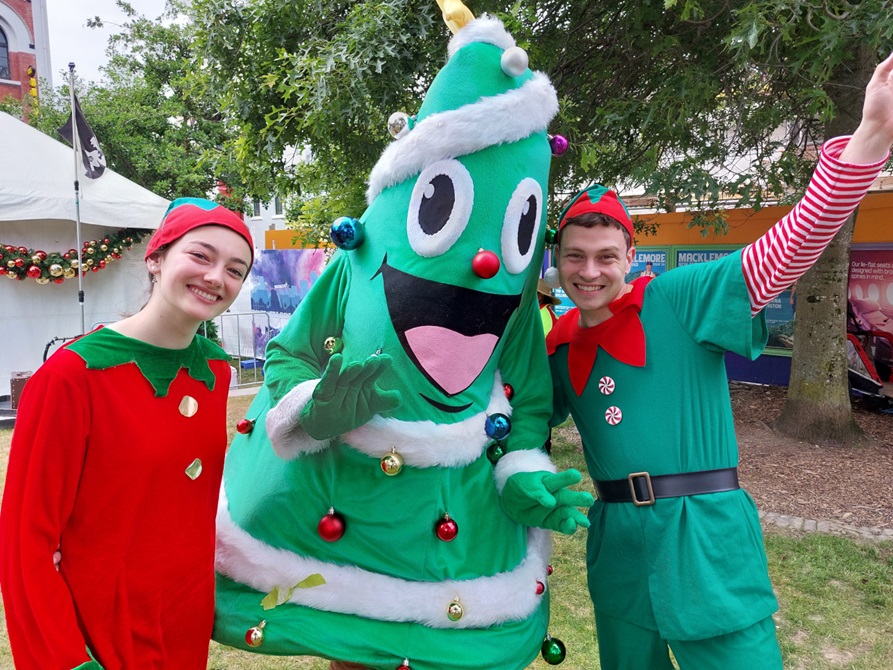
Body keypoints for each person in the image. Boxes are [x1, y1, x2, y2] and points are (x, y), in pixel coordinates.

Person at [546, 52, 893, 670]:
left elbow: (785, 251)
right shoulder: (555, 342)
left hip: (706, 540)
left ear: (630, 251)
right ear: (558, 259)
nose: (590, 271)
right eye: (575, 257)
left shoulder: (679, 298)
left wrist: (868, 141)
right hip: (619, 547)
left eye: (605, 254)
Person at [0, 198, 254, 670]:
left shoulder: (215, 371)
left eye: (235, 270)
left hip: (183, 619)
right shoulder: (72, 377)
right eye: (200, 255)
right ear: (156, 258)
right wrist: (66, 658)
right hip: (100, 629)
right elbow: (24, 544)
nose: (217, 277)